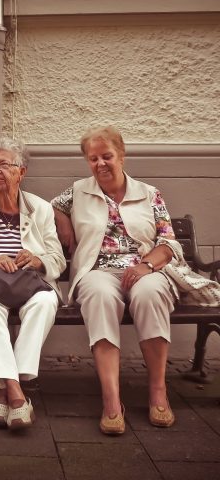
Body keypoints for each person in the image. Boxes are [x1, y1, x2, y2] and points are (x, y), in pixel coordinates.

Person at [51, 126, 182, 435]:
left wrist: (147, 265)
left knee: (150, 295)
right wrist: (64, 221)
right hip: (97, 270)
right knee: (99, 296)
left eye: (107, 156)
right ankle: (111, 399)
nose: (100, 164)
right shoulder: (78, 190)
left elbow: (169, 242)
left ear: (122, 156)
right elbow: (52, 206)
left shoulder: (149, 194)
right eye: (93, 158)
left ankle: (158, 391)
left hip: (145, 270)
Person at [0, 137, 65, 430]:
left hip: (32, 284)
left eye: (4, 164)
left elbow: (58, 259)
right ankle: (17, 394)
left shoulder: (40, 209)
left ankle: (5, 390)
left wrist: (36, 259)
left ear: (22, 172)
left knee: (45, 303)